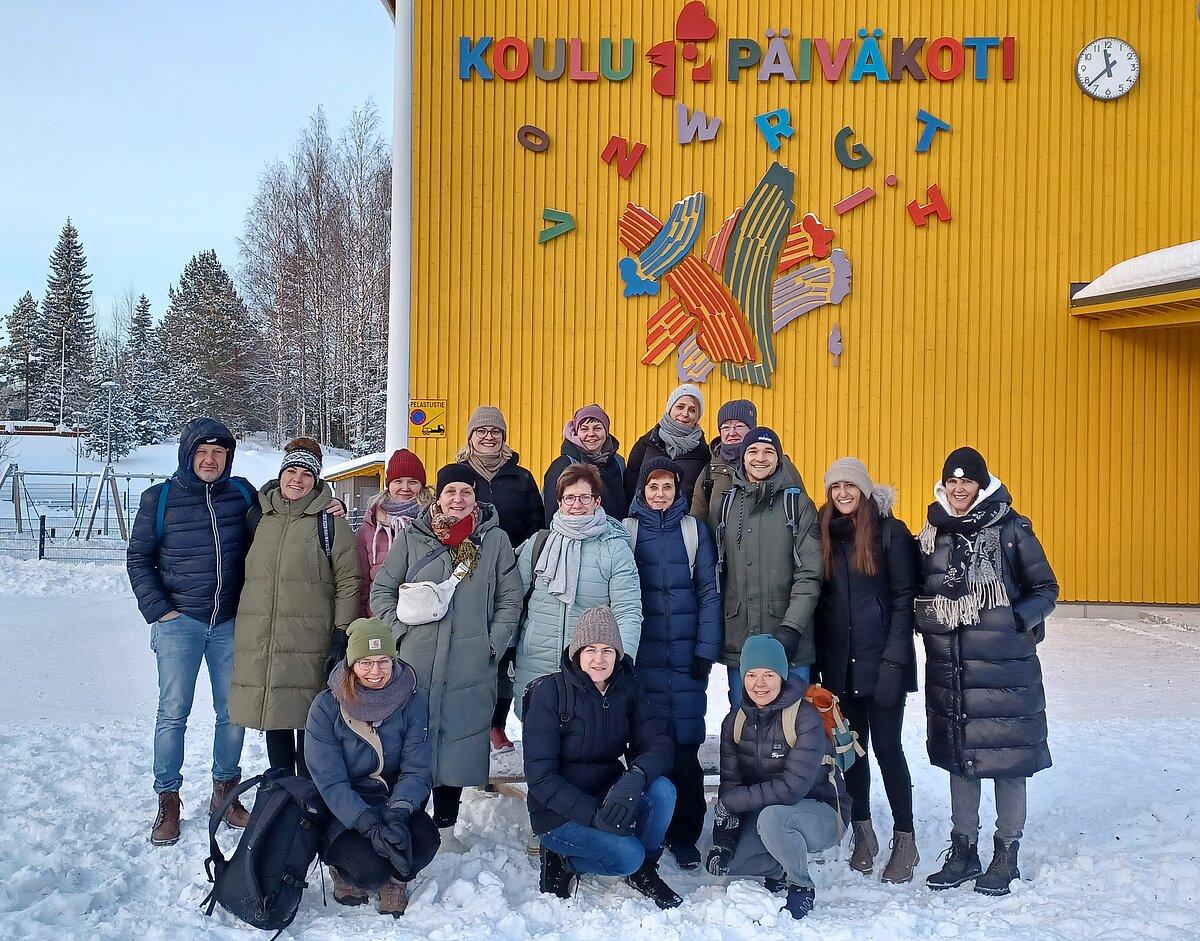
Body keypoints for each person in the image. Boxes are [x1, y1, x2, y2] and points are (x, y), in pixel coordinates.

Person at [917, 447, 1058, 897]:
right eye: (952, 482)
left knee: (1007, 761)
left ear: (982, 484)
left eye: (967, 482)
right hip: (952, 666)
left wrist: (1015, 621)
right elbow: (925, 590)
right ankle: (963, 850)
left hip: (1004, 669)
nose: (959, 490)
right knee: (961, 758)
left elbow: (1046, 589)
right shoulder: (933, 532)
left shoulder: (1012, 530)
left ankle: (1006, 852)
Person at [370, 464, 523, 852]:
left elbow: (510, 598)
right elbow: (382, 592)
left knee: (457, 738)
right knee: (414, 740)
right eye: (450, 492)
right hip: (416, 661)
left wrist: (494, 642)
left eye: (465, 493)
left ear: (476, 498)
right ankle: (409, 818)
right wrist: (400, 634)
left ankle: (445, 827)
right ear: (437, 496)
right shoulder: (413, 539)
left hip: (471, 660)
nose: (457, 500)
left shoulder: (494, 540)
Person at [127, 417, 256, 845]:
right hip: (179, 624)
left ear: (228, 458)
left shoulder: (240, 495)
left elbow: (279, 527)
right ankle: (168, 799)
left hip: (229, 624)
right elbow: (139, 560)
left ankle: (225, 792)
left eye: (218, 453)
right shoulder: (159, 499)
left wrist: (327, 504)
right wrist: (160, 611)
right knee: (173, 713)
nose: (210, 459)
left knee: (232, 713)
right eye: (202, 452)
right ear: (188, 455)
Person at [523, 606, 682, 909]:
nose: (599, 659)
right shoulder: (549, 693)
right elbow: (541, 778)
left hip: (607, 794)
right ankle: (563, 858)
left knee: (662, 790)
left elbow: (658, 743)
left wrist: (635, 778)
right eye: (591, 649)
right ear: (576, 652)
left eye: (608, 650)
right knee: (626, 856)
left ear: (618, 654)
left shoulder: (627, 687)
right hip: (557, 813)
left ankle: (645, 870)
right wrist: (593, 816)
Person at [814, 458, 920, 883]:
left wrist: (895, 661)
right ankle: (863, 832)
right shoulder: (825, 533)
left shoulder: (889, 532)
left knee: (888, 751)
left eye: (850, 486)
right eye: (835, 487)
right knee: (851, 753)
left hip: (883, 665)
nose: (842, 493)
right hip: (841, 669)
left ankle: (905, 838)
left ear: (863, 489)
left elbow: (903, 598)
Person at [229, 438, 360, 779]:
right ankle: (285, 790)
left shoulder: (331, 523)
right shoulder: (258, 516)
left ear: (316, 481)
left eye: (306, 474)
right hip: (263, 634)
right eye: (291, 471)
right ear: (280, 474)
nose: (297, 479)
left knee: (310, 718)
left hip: (311, 638)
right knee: (275, 713)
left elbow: (349, 580)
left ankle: (312, 792)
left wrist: (342, 631)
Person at [706, 635, 849, 921]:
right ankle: (780, 867)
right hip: (768, 813)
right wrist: (725, 842)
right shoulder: (734, 721)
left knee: (773, 819)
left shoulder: (804, 718)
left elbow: (792, 789)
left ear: (782, 676)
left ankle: (801, 885)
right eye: (752, 675)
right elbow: (731, 789)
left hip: (821, 812)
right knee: (733, 863)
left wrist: (733, 801)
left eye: (769, 675)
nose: (760, 684)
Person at [305, 617, 441, 917]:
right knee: (368, 871)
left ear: (394, 661)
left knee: (426, 841)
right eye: (365, 663)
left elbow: (416, 768)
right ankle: (343, 869)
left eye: (383, 662)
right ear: (351, 664)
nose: (375, 672)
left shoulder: (412, 700)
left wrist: (400, 813)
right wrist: (366, 821)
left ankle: (395, 880)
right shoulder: (326, 707)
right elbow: (330, 782)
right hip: (345, 809)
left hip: (391, 800)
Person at [624, 456, 721, 870]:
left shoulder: (693, 530)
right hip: (642, 658)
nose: (660, 495)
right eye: (653, 487)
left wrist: (706, 649)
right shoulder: (626, 531)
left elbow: (709, 593)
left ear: (678, 490)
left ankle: (684, 836)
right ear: (642, 491)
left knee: (685, 751)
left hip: (684, 660)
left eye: (667, 487)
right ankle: (646, 829)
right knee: (645, 749)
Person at [513, 464, 642, 710]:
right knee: (539, 738)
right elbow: (513, 601)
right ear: (559, 502)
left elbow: (628, 611)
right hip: (536, 661)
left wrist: (621, 662)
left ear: (597, 501)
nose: (577, 504)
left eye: (585, 497)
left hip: (590, 663)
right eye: (569, 497)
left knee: (585, 737)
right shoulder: (539, 544)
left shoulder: (615, 549)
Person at [455, 405, 544, 751]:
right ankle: (468, 724)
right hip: (468, 573)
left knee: (504, 650)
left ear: (504, 438)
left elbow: (538, 522)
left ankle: (496, 723)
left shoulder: (520, 478)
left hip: (512, 573)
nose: (489, 437)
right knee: (469, 648)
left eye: (496, 432)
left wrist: (520, 555)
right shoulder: (458, 474)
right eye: (482, 431)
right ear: (471, 436)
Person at [717, 427, 821, 706]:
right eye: (752, 451)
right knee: (743, 728)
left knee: (793, 727)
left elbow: (810, 573)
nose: (760, 458)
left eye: (768, 452)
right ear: (742, 457)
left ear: (778, 458)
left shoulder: (797, 504)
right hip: (741, 642)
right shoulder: (726, 504)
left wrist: (792, 628)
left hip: (789, 642)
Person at [691, 399, 804, 526]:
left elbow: (803, 510)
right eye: (726, 427)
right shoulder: (709, 470)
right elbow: (697, 521)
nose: (732, 433)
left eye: (739, 426)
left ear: (751, 429)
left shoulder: (777, 464)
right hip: (720, 545)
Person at [357, 448, 429, 618]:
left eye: (412, 481)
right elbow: (362, 577)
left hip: (423, 613)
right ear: (389, 484)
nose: (405, 488)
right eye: (398, 481)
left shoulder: (433, 520)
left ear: (421, 485)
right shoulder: (371, 523)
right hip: (380, 613)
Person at [624, 384, 711, 504]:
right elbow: (629, 488)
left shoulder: (704, 453)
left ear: (698, 416)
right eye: (680, 407)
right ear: (670, 408)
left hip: (686, 520)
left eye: (692, 410)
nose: (685, 414)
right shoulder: (644, 445)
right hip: (645, 520)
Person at [543, 403, 628, 524]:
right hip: (576, 538)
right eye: (584, 429)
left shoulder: (617, 463)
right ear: (576, 432)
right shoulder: (563, 465)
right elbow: (552, 514)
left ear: (606, 431)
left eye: (597, 428)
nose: (591, 434)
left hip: (613, 537)